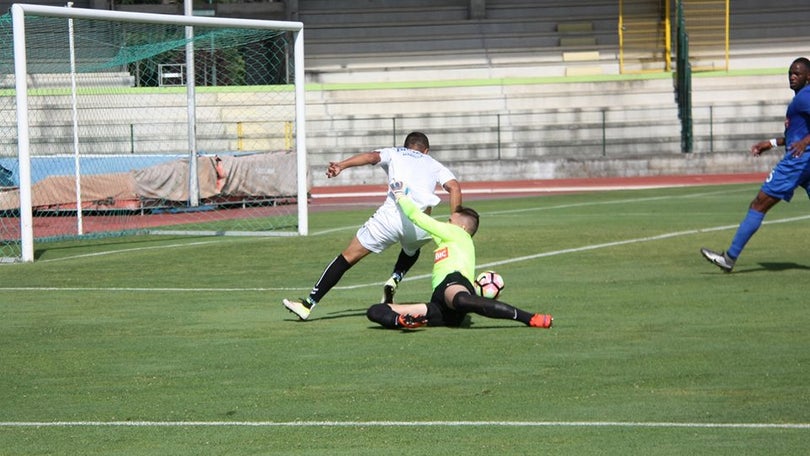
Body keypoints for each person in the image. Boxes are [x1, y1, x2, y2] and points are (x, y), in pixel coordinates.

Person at [283, 132, 462, 320]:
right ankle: (395, 278)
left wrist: (341, 165)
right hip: (419, 224)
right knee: (412, 248)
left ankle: (307, 304)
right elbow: (454, 187)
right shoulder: (433, 163)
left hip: (388, 220)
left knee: (347, 258)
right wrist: (456, 220)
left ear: (406, 146)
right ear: (426, 150)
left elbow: (370, 157)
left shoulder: (394, 152)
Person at [366, 181, 553, 330]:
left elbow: (419, 218)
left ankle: (530, 318)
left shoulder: (458, 234)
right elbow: (425, 228)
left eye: (450, 220)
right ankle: (402, 320)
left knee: (461, 299)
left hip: (454, 284)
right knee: (375, 310)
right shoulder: (451, 238)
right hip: (440, 304)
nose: (446, 222)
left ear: (462, 227)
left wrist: (400, 196)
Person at [701, 57, 810, 272]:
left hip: (799, 161)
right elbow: (793, 136)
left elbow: (801, 139)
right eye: (790, 73)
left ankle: (729, 258)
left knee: (759, 204)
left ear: (809, 76)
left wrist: (805, 142)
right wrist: (770, 143)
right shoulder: (800, 99)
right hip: (805, 160)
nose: (792, 76)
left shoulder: (805, 97)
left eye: (797, 73)